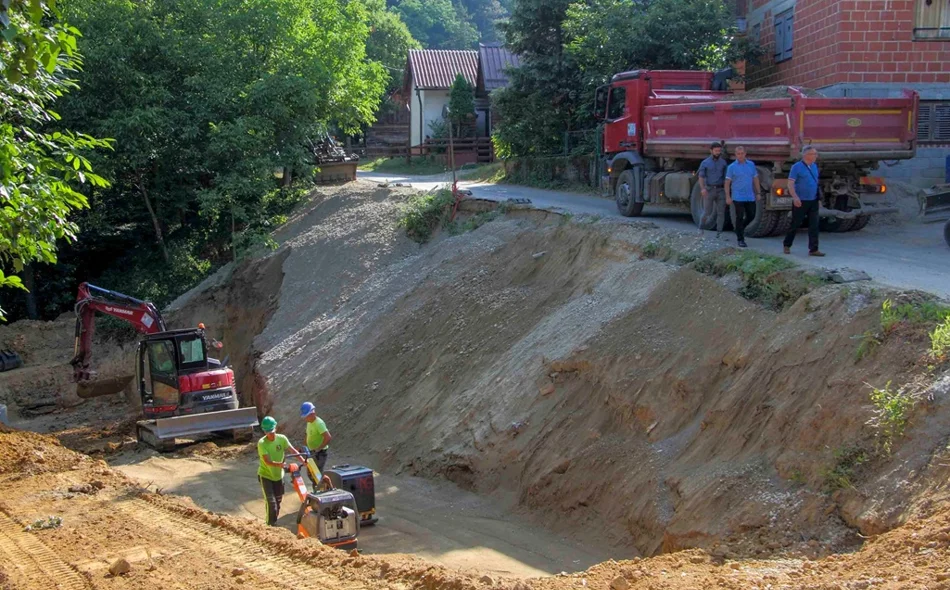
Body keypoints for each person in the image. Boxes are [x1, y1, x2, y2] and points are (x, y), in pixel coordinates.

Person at [257, 416, 302, 526]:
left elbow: (293, 450)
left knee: (278, 501)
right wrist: (280, 464)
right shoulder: (262, 443)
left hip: (279, 475)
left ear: (275, 428)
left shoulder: (282, 439)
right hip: (266, 475)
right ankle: (270, 525)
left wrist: (303, 460)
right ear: (264, 431)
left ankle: (274, 522)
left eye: (272, 432)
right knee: (271, 503)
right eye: (268, 432)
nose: (270, 434)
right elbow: (267, 461)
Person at [784, 146, 825, 257]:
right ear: (806, 155)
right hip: (801, 200)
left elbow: (815, 183)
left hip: (813, 200)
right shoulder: (796, 167)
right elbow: (790, 183)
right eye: (813, 154)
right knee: (795, 224)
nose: (816, 156)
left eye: (816, 154)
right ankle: (787, 245)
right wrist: (795, 197)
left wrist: (818, 199)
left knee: (814, 225)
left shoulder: (814, 166)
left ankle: (813, 249)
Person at [724, 146, 761, 248]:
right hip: (738, 196)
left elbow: (755, 179)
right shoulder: (731, 167)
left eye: (742, 153)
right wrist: (728, 196)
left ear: (745, 154)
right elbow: (727, 182)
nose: (740, 155)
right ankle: (740, 239)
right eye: (738, 154)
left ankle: (739, 229)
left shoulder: (751, 165)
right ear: (735, 155)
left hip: (749, 195)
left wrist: (758, 193)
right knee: (739, 217)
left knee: (751, 215)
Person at [697, 142, 728, 237]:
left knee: (721, 212)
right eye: (716, 151)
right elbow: (701, 177)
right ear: (711, 151)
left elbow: (726, 178)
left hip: (720, 190)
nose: (718, 152)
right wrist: (702, 189)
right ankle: (701, 228)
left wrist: (726, 192)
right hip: (709, 189)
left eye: (719, 151)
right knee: (707, 212)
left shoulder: (723, 163)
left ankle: (719, 232)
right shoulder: (705, 163)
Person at [300, 402, 332, 487]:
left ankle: (323, 487)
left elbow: (328, 437)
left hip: (320, 453)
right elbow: (308, 435)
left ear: (312, 413)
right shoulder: (309, 422)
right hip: (312, 452)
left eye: (306, 416)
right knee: (310, 473)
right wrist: (304, 446)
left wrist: (319, 448)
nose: (305, 418)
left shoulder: (319, 423)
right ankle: (323, 486)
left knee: (316, 474)